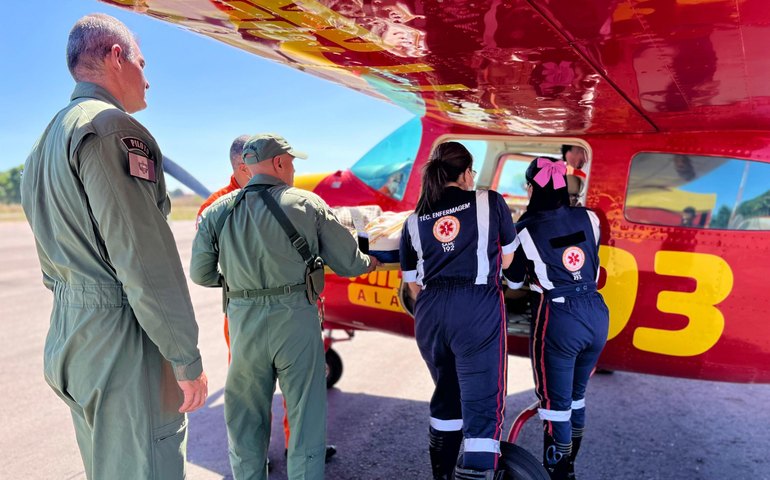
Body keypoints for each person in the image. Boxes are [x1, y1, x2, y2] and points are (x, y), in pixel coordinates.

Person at [20, 13, 208, 480]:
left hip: (72, 334)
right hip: (121, 343)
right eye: (143, 63)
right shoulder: (110, 129)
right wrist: (185, 356)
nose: (149, 79)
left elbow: (50, 261)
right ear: (116, 56)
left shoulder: (43, 143)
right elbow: (143, 259)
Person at [190, 133, 377, 480]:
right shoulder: (307, 204)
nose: (293, 169)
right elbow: (350, 263)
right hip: (296, 319)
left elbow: (200, 273)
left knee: (246, 420)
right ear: (278, 162)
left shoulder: (218, 210)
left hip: (244, 324)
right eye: (291, 162)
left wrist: (239, 284)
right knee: (305, 417)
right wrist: (372, 261)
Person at [399, 142, 517, 480]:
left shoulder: (414, 219)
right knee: (482, 408)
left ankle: (443, 475)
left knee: (447, 397)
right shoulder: (489, 201)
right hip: (476, 306)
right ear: (466, 173)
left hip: (431, 312)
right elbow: (508, 260)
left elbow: (413, 285)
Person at [503, 157, 609, 480]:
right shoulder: (590, 218)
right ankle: (569, 468)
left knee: (554, 406)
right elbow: (589, 261)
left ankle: (557, 473)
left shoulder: (524, 230)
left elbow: (516, 281)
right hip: (596, 314)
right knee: (576, 398)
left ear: (533, 188)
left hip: (560, 319)